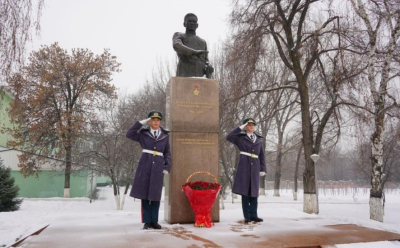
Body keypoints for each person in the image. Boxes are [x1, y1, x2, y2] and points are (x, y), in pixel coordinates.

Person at [126, 110, 171, 230]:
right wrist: (140, 123)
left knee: (155, 195)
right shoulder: (143, 133)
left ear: (160, 121)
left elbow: (167, 152)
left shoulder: (165, 135)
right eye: (153, 120)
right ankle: (147, 221)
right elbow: (129, 134)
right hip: (145, 165)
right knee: (145, 195)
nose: (155, 122)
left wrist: (167, 166)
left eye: (158, 120)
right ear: (149, 121)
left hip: (158, 166)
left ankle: (154, 221)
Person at [226, 118, 266, 223]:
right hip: (244, 166)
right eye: (249, 124)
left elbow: (262, 155)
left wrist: (262, 168)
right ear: (245, 126)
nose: (251, 126)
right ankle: (247, 216)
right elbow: (229, 137)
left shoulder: (258, 139)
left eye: (253, 124)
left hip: (255, 166)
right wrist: (240, 128)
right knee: (245, 192)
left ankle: (254, 215)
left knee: (254, 192)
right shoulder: (240, 138)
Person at [173, 13, 214, 78]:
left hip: (199, 73)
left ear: (197, 25)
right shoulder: (179, 35)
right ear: (184, 24)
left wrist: (209, 68)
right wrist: (194, 52)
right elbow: (177, 45)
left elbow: (206, 60)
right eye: (189, 21)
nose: (192, 23)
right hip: (185, 70)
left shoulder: (202, 41)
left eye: (194, 22)